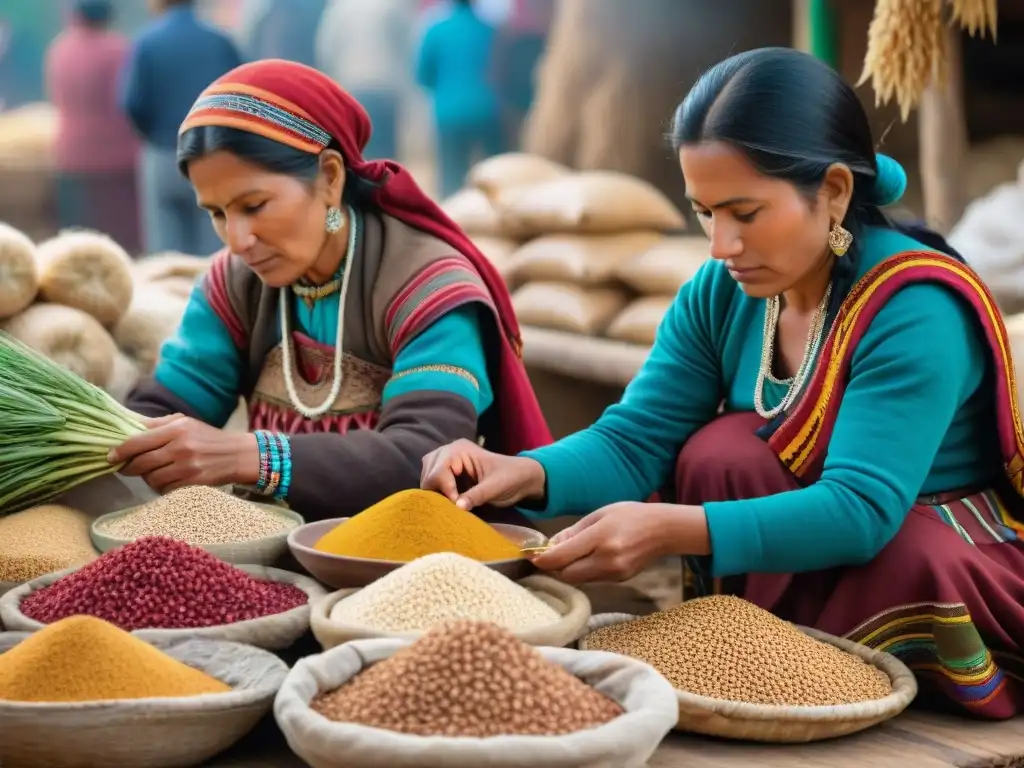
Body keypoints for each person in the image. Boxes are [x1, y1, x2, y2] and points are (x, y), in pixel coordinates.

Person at [421, 47, 1024, 719]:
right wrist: (521, 472)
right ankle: (773, 661)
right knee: (722, 450)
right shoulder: (723, 292)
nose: (720, 245)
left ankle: (868, 679)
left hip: (924, 545)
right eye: (706, 213)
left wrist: (668, 528)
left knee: (906, 552)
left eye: (746, 213)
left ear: (833, 192)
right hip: (820, 536)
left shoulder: (913, 307)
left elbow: (860, 510)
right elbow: (634, 440)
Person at [112, 59, 551, 523]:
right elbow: (168, 405)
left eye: (254, 205)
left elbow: (424, 454)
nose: (238, 240)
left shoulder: (428, 287)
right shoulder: (235, 282)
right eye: (218, 214)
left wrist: (251, 458)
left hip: (407, 558)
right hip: (275, 547)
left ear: (330, 177)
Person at [120, 0, 242, 255]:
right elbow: (243, 95)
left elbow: (132, 103)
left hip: (164, 154)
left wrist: (153, 136)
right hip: (213, 156)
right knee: (214, 247)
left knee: (166, 251)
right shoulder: (219, 41)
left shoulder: (147, 43)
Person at [46, 0, 141, 253]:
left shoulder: (60, 50)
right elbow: (131, 103)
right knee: (123, 245)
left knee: (77, 243)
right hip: (117, 162)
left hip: (71, 158)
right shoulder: (119, 51)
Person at [416, 0, 505, 197]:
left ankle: (451, 222)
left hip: (449, 113)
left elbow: (422, 75)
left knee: (452, 177)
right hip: (486, 110)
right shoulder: (489, 31)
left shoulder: (436, 31)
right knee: (493, 175)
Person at [316, 0, 417, 161]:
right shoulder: (392, 6)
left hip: (353, 86)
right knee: (387, 151)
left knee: (360, 148)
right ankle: (387, 183)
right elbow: (408, 45)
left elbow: (326, 48)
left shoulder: (339, 8)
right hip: (387, 85)